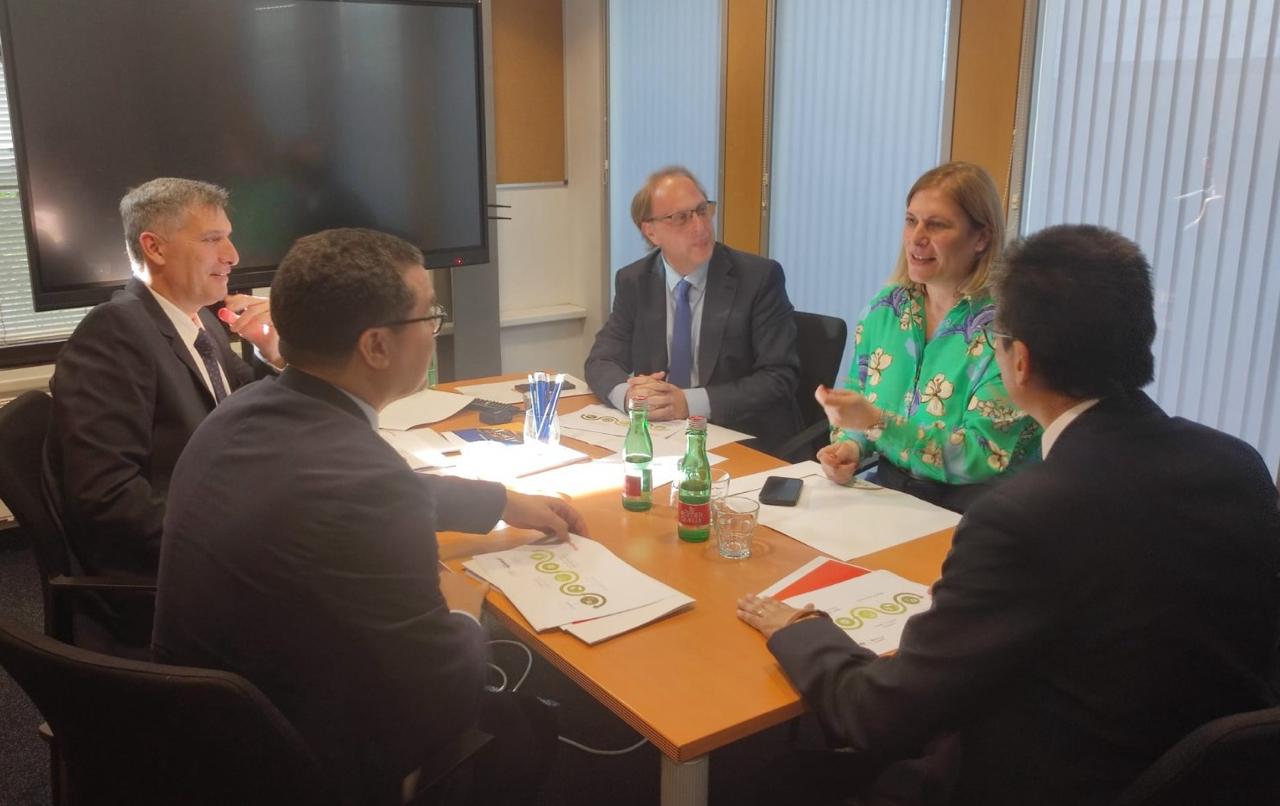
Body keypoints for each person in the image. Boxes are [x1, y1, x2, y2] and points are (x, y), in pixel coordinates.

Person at [736, 224, 1280, 805]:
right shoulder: (1237, 464)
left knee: (773, 782)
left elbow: (879, 716)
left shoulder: (1024, 517)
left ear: (1018, 362)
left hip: (1042, 780)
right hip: (1212, 776)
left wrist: (802, 631)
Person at [152, 228, 587, 806]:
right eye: (429, 317)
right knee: (523, 725)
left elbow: (366, 489)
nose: (435, 330)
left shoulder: (243, 411)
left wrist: (501, 500)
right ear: (377, 346)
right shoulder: (365, 479)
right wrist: (465, 612)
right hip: (298, 765)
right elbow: (443, 692)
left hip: (200, 733)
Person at [42, 177, 280, 644]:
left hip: (217, 516)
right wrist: (236, 539)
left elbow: (247, 402)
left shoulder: (199, 318)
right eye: (211, 239)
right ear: (154, 248)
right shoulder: (114, 334)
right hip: (169, 578)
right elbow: (108, 500)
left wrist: (273, 355)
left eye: (228, 238)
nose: (232, 255)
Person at [815, 162, 1040, 513]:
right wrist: (850, 447)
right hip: (891, 494)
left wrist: (876, 423)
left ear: (981, 238)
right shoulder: (885, 309)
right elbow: (858, 400)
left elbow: (981, 455)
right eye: (911, 221)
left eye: (936, 225)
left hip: (978, 509)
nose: (917, 237)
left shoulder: (1006, 329)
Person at [584, 166, 802, 454]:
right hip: (666, 438)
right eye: (681, 218)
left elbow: (779, 377)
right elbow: (601, 361)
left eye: (702, 211)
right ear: (651, 231)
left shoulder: (758, 278)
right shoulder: (635, 281)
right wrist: (632, 398)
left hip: (743, 441)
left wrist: (688, 403)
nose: (700, 226)